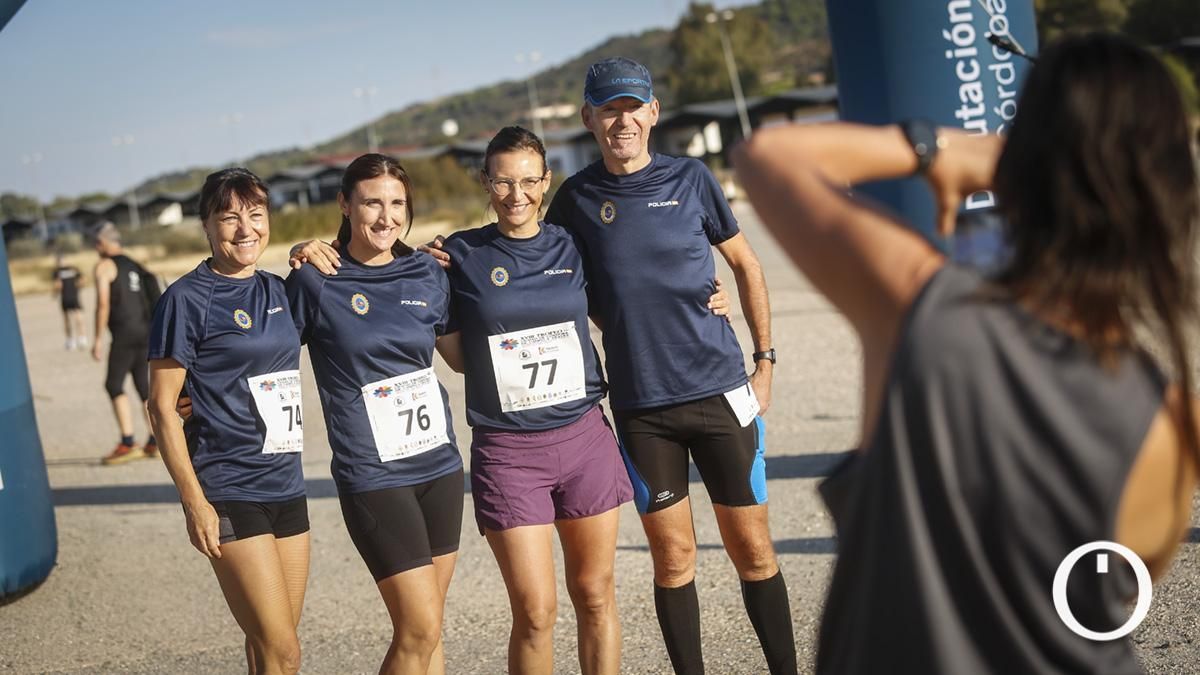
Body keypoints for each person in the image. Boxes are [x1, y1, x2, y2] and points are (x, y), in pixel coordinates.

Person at [733, 33, 1199, 674]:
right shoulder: (1172, 420)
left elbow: (768, 155)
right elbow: (1109, 601)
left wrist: (946, 148)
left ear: (1017, 169)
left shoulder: (921, 307)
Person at [545, 57, 791, 675]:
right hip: (643, 409)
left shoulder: (692, 178)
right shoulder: (575, 199)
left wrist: (764, 362)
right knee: (675, 558)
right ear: (588, 118)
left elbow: (747, 265)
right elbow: (535, 265)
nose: (622, 121)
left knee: (753, 550)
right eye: (609, 109)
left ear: (653, 113)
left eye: (633, 108)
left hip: (721, 392)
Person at [286, 153, 464, 675]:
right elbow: (263, 349)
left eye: (397, 204)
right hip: (373, 474)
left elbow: (459, 357)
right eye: (372, 203)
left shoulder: (427, 272)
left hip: (440, 466)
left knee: (430, 628)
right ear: (345, 204)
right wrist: (191, 389)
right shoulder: (316, 278)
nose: (387, 218)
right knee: (420, 628)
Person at [147, 168, 309, 675]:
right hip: (230, 487)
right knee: (284, 651)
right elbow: (162, 408)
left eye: (255, 215)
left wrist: (310, 249)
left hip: (287, 483)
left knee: (269, 646)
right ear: (206, 225)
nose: (245, 229)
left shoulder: (280, 290)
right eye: (229, 217)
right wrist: (194, 502)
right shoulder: (185, 300)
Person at [90, 221, 157, 464]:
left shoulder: (104, 266)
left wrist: (98, 339)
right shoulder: (135, 265)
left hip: (124, 334)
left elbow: (103, 304)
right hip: (146, 331)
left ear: (102, 243)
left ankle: (128, 442)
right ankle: (156, 440)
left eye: (96, 243)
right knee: (143, 387)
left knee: (113, 385)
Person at [51, 252, 87, 350]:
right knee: (79, 317)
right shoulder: (73, 269)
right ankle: (82, 338)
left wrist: (54, 294)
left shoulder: (57, 272)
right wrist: (78, 288)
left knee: (67, 319)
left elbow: (58, 285)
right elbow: (82, 280)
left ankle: (70, 340)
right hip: (74, 296)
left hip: (65, 297)